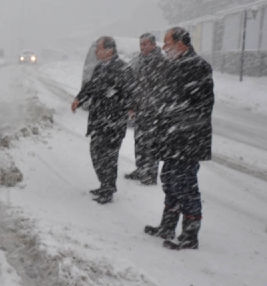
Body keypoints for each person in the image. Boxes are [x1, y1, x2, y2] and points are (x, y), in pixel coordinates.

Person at [144, 27, 214, 250]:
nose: (164, 49)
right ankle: (167, 226)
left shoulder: (198, 67)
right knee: (169, 180)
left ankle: (190, 236)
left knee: (186, 185)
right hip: (172, 137)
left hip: (188, 139)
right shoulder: (173, 65)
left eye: (167, 44)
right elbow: (165, 97)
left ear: (181, 44)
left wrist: (172, 115)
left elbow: (201, 105)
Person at [71, 37, 135, 204]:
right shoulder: (100, 68)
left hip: (114, 121)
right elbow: (90, 87)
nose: (96, 52)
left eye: (98, 49)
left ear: (109, 50)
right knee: (96, 153)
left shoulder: (123, 69)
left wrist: (129, 107)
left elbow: (131, 93)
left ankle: (108, 189)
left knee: (109, 157)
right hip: (99, 119)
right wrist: (79, 99)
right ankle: (104, 184)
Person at [124, 33, 166, 185]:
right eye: (141, 44)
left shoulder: (159, 61)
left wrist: (155, 105)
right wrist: (131, 105)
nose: (142, 47)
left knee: (151, 143)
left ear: (153, 45)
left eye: (146, 44)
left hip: (153, 110)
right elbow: (135, 86)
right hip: (140, 108)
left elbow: (160, 87)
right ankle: (140, 169)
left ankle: (150, 174)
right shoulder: (140, 61)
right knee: (139, 140)